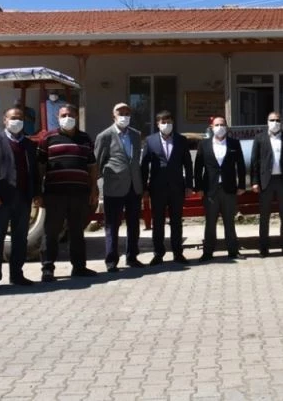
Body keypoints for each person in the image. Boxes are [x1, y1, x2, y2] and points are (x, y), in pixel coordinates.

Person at [0, 107, 41, 291]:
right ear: (5, 121)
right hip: (1, 200)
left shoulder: (29, 145)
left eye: (20, 118)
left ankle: (17, 275)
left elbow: (35, 172)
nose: (17, 121)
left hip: (23, 199)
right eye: (13, 118)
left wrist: (37, 193)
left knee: (20, 239)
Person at [37, 104, 99, 281]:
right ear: (58, 117)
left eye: (71, 114)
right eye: (64, 115)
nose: (67, 118)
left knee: (77, 231)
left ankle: (79, 267)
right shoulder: (48, 138)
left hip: (79, 194)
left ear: (77, 117)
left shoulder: (85, 139)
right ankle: (47, 269)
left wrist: (93, 189)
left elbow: (92, 166)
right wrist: (38, 192)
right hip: (55, 194)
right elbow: (40, 166)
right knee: (51, 232)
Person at [95, 103, 145, 272]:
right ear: (113, 116)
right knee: (112, 225)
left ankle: (132, 257)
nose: (124, 116)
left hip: (134, 187)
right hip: (114, 187)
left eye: (127, 113)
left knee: (133, 224)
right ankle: (111, 261)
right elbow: (98, 163)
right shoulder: (105, 136)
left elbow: (137, 160)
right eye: (120, 113)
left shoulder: (136, 135)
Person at [141, 111, 193, 265]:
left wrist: (189, 185)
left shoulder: (181, 140)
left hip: (177, 187)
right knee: (158, 222)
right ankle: (158, 254)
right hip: (157, 188)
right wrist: (144, 188)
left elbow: (188, 164)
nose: (166, 124)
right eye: (162, 121)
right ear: (157, 124)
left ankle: (178, 253)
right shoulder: (150, 141)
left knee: (176, 221)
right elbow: (144, 166)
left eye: (168, 120)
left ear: (173, 122)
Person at [194, 115, 246, 261]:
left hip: (229, 189)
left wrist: (241, 185)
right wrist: (198, 187)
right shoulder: (203, 145)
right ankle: (208, 252)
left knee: (229, 221)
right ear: (211, 127)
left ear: (227, 127)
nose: (220, 127)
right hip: (210, 190)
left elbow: (240, 166)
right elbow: (198, 167)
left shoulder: (234, 144)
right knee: (210, 222)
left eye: (222, 124)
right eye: (217, 125)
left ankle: (233, 251)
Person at [251, 111, 283, 258]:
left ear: (282, 122)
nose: (275, 123)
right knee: (264, 216)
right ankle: (263, 248)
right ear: (267, 122)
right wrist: (255, 182)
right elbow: (255, 162)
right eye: (272, 120)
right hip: (266, 182)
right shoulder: (259, 138)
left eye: (278, 120)